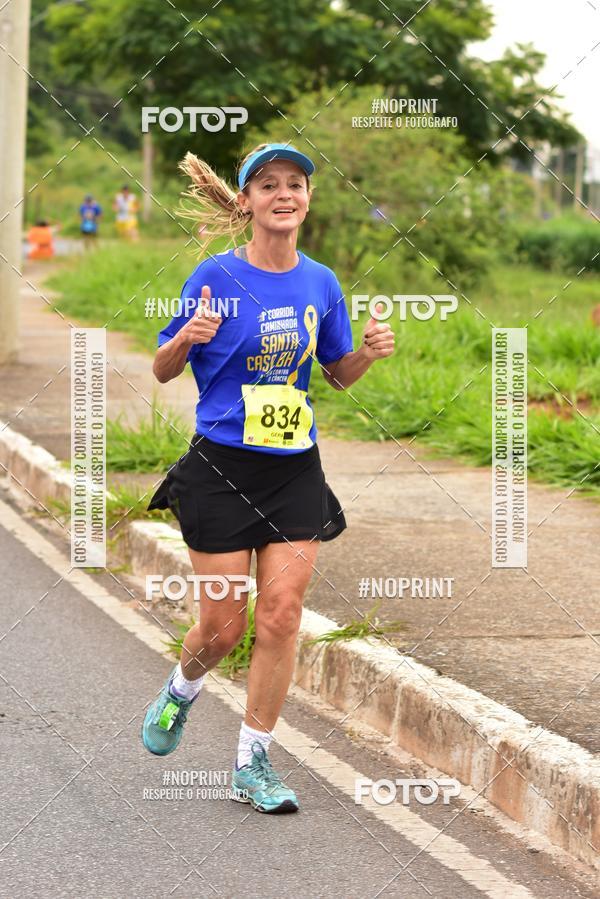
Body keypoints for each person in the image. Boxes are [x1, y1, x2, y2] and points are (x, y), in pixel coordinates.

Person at [141, 142, 395, 813]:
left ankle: (252, 761)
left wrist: (366, 353)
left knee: (281, 615)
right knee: (223, 629)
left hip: (293, 469)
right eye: (269, 185)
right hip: (222, 466)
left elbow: (337, 373)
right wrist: (187, 337)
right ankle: (181, 689)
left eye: (296, 184)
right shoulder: (214, 275)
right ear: (247, 201)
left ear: (307, 199)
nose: (284, 195)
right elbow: (164, 368)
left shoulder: (321, 281)